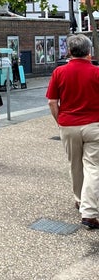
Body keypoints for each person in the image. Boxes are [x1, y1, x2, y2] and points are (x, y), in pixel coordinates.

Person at [46, 34, 99, 230]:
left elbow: (52, 101)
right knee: (93, 167)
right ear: (89, 51)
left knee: (75, 165)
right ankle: (90, 211)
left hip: (68, 124)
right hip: (94, 125)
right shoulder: (96, 72)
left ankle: (79, 199)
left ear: (69, 51)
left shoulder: (59, 72)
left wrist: (60, 121)